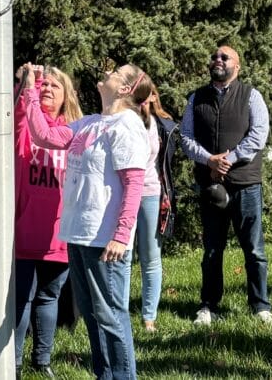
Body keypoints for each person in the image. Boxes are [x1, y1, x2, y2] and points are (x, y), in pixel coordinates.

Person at [21, 61, 153, 380]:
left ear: (125, 88)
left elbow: (134, 183)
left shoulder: (127, 125)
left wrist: (121, 235)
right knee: (94, 316)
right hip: (79, 235)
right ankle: (104, 375)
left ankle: (123, 376)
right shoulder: (92, 122)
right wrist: (29, 88)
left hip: (104, 238)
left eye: (116, 73)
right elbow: (45, 136)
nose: (106, 72)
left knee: (111, 316)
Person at [181, 45, 272, 325]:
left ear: (237, 66)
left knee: (254, 249)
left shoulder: (251, 96)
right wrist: (209, 160)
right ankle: (208, 305)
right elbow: (186, 137)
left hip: (245, 183)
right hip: (211, 185)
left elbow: (258, 135)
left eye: (224, 57)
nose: (217, 60)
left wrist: (228, 159)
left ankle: (260, 305)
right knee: (211, 249)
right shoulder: (197, 98)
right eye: (215, 57)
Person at [12, 65, 84, 377]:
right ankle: (11, 363)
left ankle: (42, 362)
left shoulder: (74, 129)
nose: (47, 90)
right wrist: (32, 82)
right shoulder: (27, 125)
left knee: (48, 297)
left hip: (59, 232)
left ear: (67, 94)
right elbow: (18, 116)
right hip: (25, 229)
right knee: (21, 300)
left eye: (55, 86)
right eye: (44, 86)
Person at [132, 87, 178, 333]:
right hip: (122, 196)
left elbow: (165, 164)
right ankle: (118, 311)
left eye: (146, 94)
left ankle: (149, 316)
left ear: (153, 96)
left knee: (151, 257)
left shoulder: (163, 124)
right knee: (123, 257)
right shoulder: (123, 120)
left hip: (151, 193)